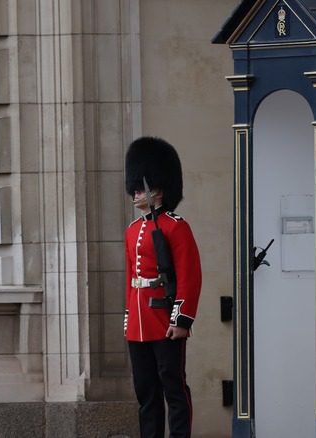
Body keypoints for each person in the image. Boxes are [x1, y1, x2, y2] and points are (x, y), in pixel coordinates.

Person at [123, 137, 202, 438]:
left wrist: (181, 320)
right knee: (146, 394)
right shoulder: (132, 231)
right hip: (139, 323)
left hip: (165, 320)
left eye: (140, 188)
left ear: (157, 189)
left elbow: (190, 276)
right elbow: (131, 278)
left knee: (174, 389)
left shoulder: (175, 226)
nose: (135, 194)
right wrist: (129, 318)